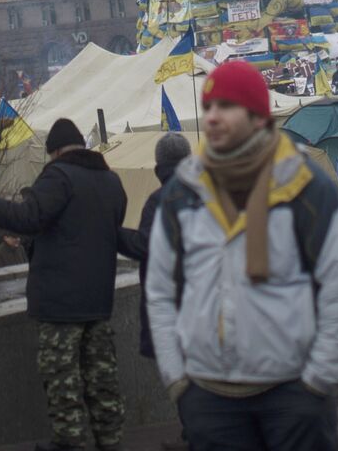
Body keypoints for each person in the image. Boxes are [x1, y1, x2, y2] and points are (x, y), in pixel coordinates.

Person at [145, 60, 338, 451]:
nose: (212, 116)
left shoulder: (308, 188)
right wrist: (178, 378)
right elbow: (161, 290)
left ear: (257, 117)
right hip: (209, 398)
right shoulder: (183, 193)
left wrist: (318, 379)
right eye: (209, 106)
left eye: (226, 107)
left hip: (293, 394)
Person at [0, 119, 135, 451]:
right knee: (102, 384)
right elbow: (111, 230)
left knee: (63, 383)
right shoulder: (111, 182)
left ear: (55, 152)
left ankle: (71, 444)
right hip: (98, 302)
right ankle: (112, 442)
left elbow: (29, 217)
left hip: (60, 306)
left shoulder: (58, 177)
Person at [135, 133, 193, 451]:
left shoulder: (159, 202)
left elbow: (145, 246)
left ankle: (196, 435)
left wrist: (110, 234)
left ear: (159, 163)